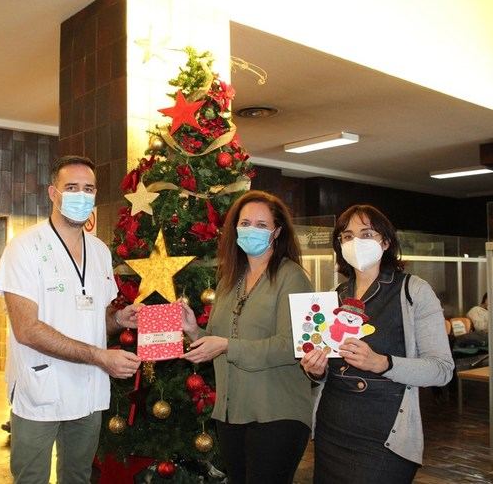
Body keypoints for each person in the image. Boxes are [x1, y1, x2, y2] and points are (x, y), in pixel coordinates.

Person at [0, 155, 142, 484]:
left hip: (88, 392)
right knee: (31, 478)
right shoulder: (24, 248)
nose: (81, 195)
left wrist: (119, 319)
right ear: (53, 193)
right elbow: (27, 330)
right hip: (41, 388)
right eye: (71, 187)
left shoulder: (101, 251)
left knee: (78, 476)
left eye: (88, 188)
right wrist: (99, 356)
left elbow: (94, 318)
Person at [301, 205, 453, 484]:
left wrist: (383, 363)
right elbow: (326, 371)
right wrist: (315, 369)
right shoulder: (335, 296)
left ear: (385, 242)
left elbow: (442, 370)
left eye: (366, 233)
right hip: (331, 427)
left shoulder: (413, 290)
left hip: (385, 435)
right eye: (347, 236)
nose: (355, 242)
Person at [181, 190, 316, 484]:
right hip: (231, 413)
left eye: (261, 225)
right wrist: (193, 331)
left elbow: (290, 345)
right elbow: (218, 341)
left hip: (277, 414)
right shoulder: (230, 281)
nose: (250, 230)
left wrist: (227, 345)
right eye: (245, 223)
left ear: (277, 231)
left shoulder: (291, 277)